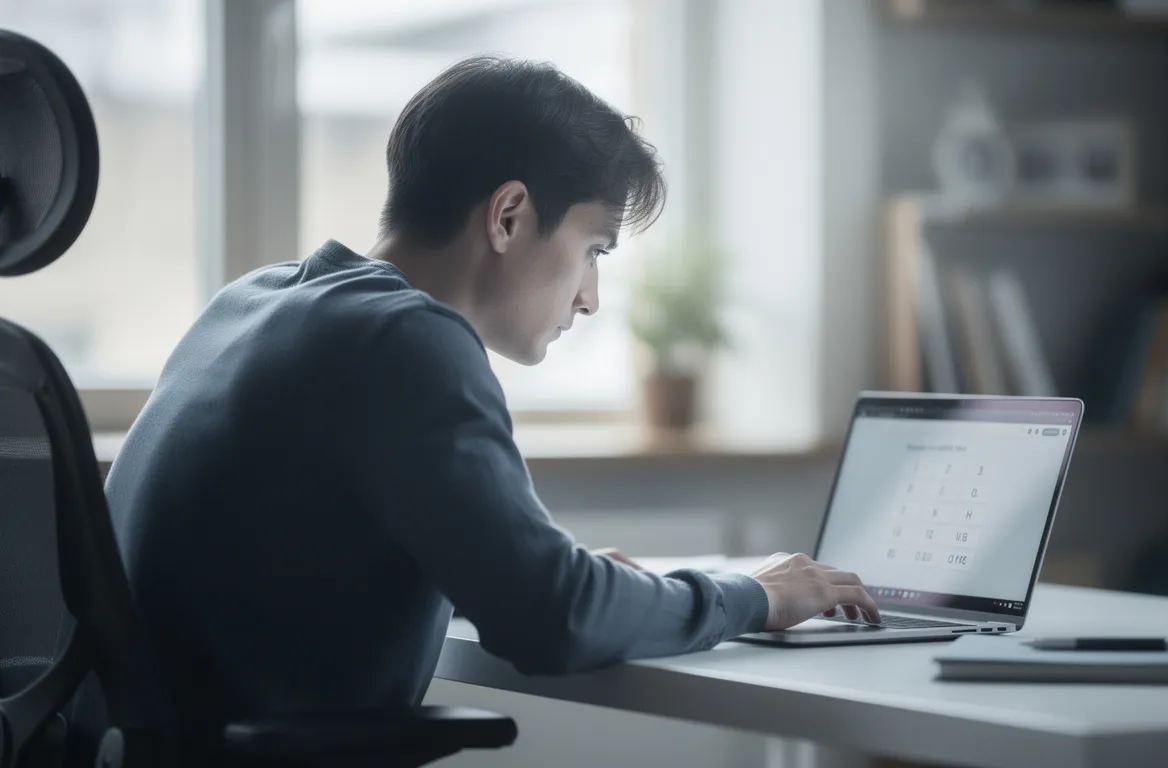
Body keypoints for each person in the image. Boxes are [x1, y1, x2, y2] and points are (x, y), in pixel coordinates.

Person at [104, 54, 879, 720]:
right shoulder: (409, 341)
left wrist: (557, 575)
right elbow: (553, 622)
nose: (590, 297)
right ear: (508, 216)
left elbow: (511, 584)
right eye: (593, 250)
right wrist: (758, 597)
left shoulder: (257, 301)